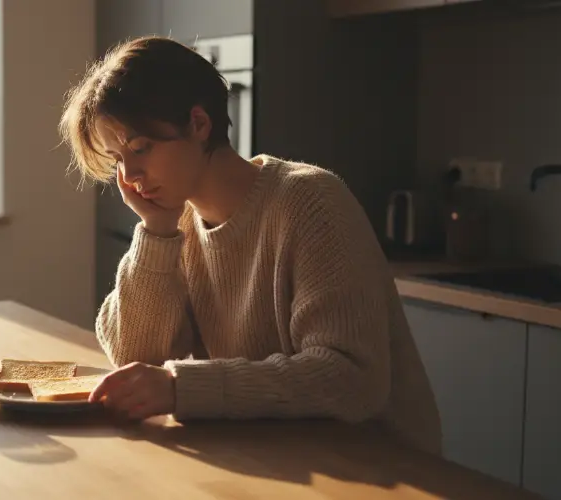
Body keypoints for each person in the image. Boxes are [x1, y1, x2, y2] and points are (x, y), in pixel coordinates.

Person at [58, 35, 442, 455]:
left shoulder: (310, 201)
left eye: (140, 147)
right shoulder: (177, 220)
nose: (129, 174)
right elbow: (135, 356)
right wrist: (155, 230)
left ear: (199, 124)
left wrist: (182, 387)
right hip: (275, 455)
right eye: (117, 159)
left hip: (380, 467)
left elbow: (350, 379)